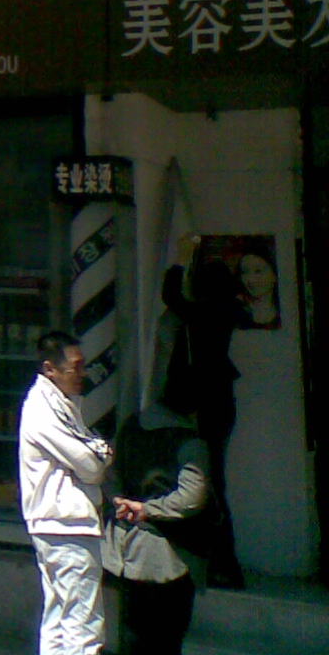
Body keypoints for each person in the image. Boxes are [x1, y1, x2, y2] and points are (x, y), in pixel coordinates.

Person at [103, 366, 211, 655]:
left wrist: (120, 503)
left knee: (132, 634)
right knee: (165, 639)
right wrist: (147, 509)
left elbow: (110, 474)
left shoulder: (130, 427)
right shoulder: (190, 442)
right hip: (169, 557)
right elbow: (192, 499)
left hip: (125, 551)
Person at [19, 330, 114, 655]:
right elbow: (92, 465)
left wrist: (97, 454)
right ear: (50, 369)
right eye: (76, 367)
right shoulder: (42, 409)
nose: (82, 373)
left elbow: (90, 456)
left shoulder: (61, 405)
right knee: (82, 627)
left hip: (60, 525)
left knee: (60, 621)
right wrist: (101, 454)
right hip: (66, 527)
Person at [160, 236, 247, 587]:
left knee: (201, 484)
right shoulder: (228, 310)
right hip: (221, 405)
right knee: (214, 483)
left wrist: (180, 259)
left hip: (201, 408)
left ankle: (221, 561)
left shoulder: (203, 313)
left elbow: (172, 297)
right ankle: (223, 562)